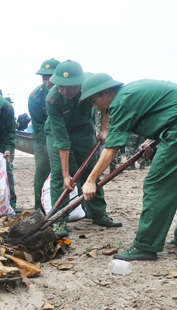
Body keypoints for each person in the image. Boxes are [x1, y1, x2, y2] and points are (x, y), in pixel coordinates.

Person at [81, 73, 177, 261]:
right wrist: (151, 141)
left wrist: (91, 180)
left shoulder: (121, 101)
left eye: (94, 101)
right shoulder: (131, 92)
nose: (95, 107)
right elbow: (167, 112)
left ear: (107, 91)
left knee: (157, 184)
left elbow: (111, 147)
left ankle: (146, 246)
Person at [45, 60, 121, 237]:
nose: (64, 91)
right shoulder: (52, 99)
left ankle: (98, 213)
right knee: (58, 175)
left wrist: (103, 128)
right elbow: (61, 140)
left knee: (90, 170)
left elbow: (105, 105)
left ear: (79, 83)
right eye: (61, 86)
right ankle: (59, 221)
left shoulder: (91, 86)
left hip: (83, 130)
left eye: (70, 87)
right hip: (57, 132)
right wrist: (65, 174)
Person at [28, 58, 60, 210]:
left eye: (51, 77)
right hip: (43, 138)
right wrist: (48, 148)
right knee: (42, 168)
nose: (47, 82)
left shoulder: (68, 91)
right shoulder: (35, 98)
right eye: (44, 78)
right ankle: (39, 207)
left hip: (65, 136)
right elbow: (38, 127)